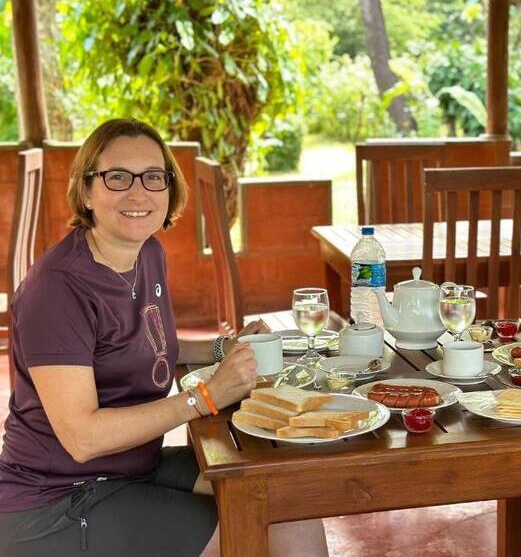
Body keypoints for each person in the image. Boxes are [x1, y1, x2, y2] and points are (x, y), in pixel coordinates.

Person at [0, 119, 329, 556]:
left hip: (133, 466)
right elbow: (83, 439)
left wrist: (223, 349)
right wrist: (207, 397)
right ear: (86, 191)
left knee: (290, 503)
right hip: (57, 499)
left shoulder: (147, 252)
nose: (139, 193)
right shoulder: (58, 290)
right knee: (246, 533)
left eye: (154, 177)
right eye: (117, 177)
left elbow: (152, 346)